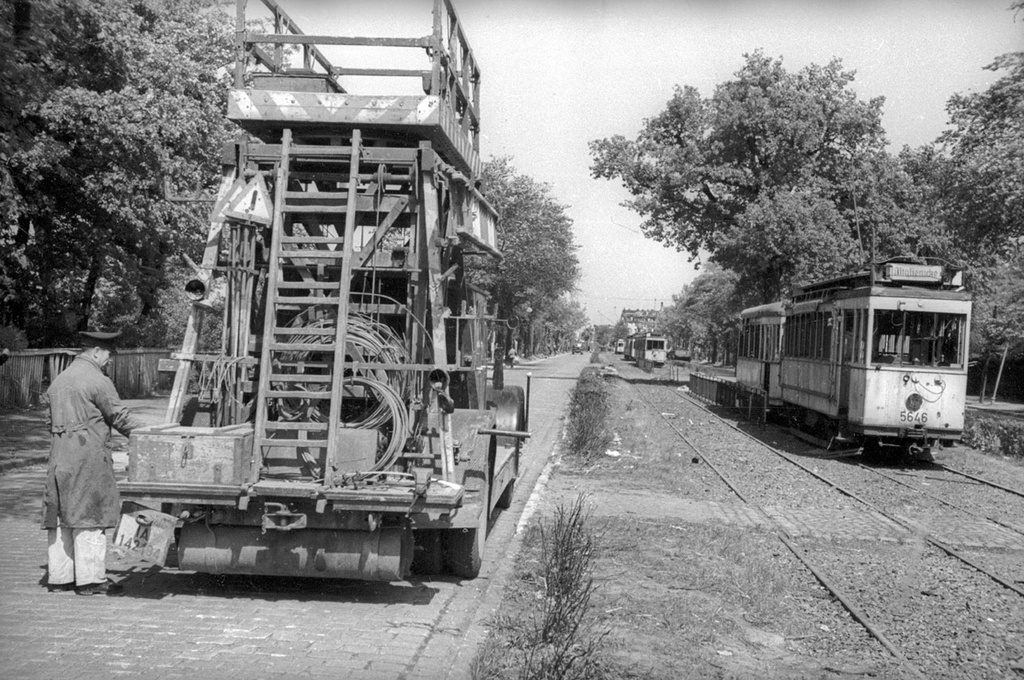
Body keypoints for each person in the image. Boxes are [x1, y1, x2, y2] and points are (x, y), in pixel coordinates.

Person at [42, 331, 141, 595]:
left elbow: (48, 422)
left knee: (63, 514)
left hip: (59, 455)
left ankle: (60, 577)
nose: (109, 360)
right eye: (109, 355)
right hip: (88, 457)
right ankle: (91, 580)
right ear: (96, 351)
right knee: (90, 514)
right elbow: (119, 416)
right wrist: (149, 435)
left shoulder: (59, 380)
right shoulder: (98, 379)